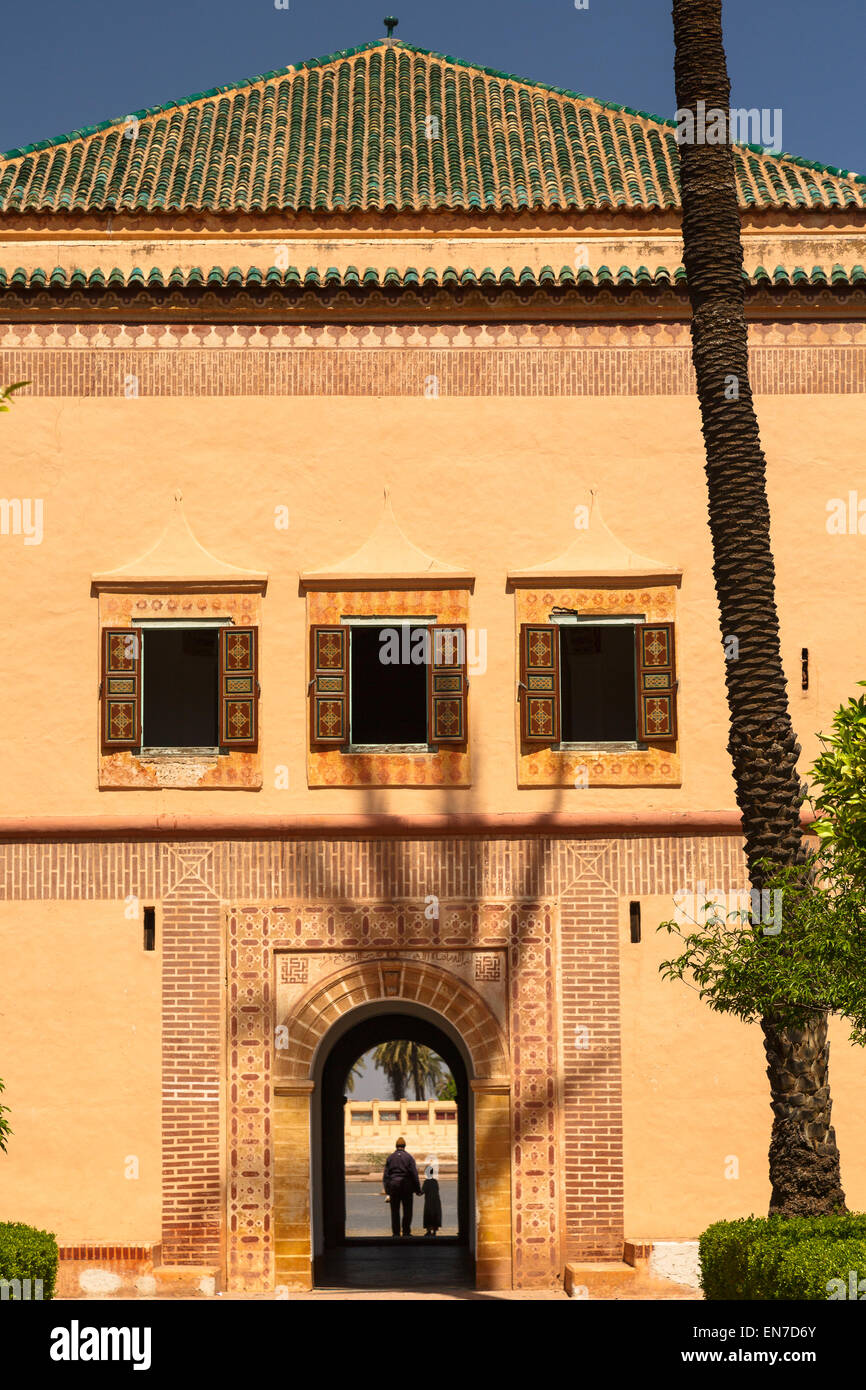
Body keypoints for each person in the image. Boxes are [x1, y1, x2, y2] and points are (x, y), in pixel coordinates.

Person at [382, 1137, 421, 1238]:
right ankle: (406, 1231)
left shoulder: (390, 1158)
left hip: (394, 1186)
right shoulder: (409, 1157)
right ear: (404, 1146)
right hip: (406, 1186)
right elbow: (414, 1174)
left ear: (396, 1146)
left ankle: (395, 1233)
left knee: (395, 1211)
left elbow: (386, 1175)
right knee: (407, 1210)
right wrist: (418, 1189)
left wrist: (387, 1190)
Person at [421, 1158, 442, 1238]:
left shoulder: (426, 1182)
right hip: (436, 1201)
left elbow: (422, 1192)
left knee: (428, 1215)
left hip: (429, 1201)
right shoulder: (435, 1181)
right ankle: (434, 1231)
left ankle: (428, 1230)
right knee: (435, 1214)